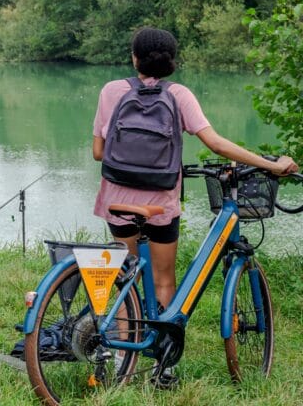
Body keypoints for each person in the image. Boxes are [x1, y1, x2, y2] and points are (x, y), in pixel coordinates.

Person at [92, 27, 298, 312]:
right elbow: (216, 144)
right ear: (170, 61)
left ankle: (120, 352)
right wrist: (272, 165)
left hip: (116, 198)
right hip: (160, 203)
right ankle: (159, 351)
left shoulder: (111, 91)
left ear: (134, 59)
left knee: (125, 277)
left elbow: (98, 153)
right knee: (163, 279)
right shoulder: (178, 94)